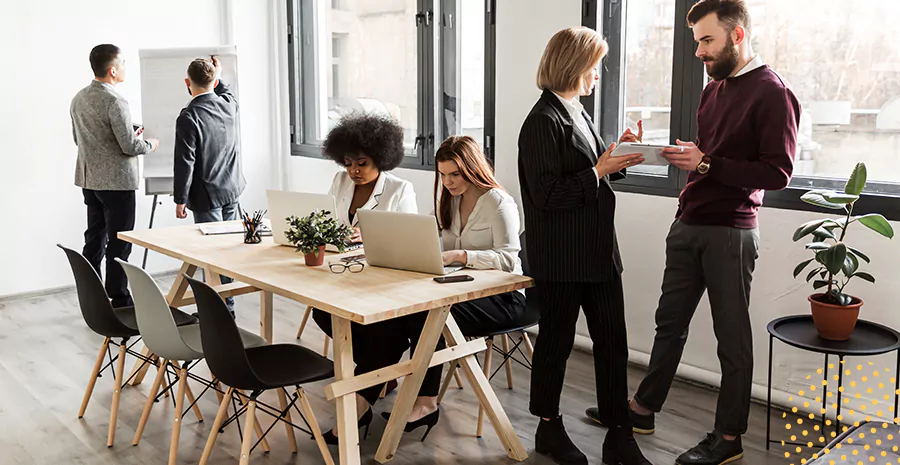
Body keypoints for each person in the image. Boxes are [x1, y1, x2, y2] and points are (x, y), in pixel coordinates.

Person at [615, 1, 800, 464]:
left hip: (730, 232)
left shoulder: (773, 92)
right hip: (689, 223)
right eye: (696, 40)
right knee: (669, 324)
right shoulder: (713, 89)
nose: (698, 51)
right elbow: (708, 157)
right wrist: (664, 153)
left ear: (737, 36)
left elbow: (778, 173)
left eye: (707, 40)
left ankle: (729, 438)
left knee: (731, 340)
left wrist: (705, 162)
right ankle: (642, 408)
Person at [518, 27, 649, 465]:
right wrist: (597, 170)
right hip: (561, 256)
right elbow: (547, 196)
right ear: (575, 65)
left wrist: (617, 156)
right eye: (595, 64)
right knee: (555, 343)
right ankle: (548, 430)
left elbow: (592, 171)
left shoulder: (578, 112)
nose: (598, 73)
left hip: (598, 252)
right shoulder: (541, 121)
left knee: (614, 344)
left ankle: (619, 433)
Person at [382, 135, 528, 439]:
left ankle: (425, 403)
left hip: (504, 298)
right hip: (458, 289)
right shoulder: (450, 200)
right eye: (443, 174)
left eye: (455, 174)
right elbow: (438, 244)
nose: (447, 182)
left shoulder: (498, 203)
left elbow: (507, 259)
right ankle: (384, 379)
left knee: (427, 317)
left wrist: (463, 255)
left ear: (472, 168)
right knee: (407, 310)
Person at [310, 111, 417, 443]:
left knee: (382, 333)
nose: (354, 171)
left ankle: (359, 402)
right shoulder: (340, 182)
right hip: (345, 274)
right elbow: (329, 221)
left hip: (384, 280)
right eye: (348, 163)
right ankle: (379, 374)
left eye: (362, 164)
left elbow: (408, 240)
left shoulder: (401, 190)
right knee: (322, 312)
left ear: (381, 160)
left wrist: (367, 239)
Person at [71, 44, 159, 308]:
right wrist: (151, 144)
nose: (125, 68)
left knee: (94, 239)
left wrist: (128, 133)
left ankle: (92, 295)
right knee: (120, 243)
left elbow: (80, 139)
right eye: (123, 64)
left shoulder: (79, 98)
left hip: (90, 179)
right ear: (112, 70)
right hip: (117, 183)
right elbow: (130, 147)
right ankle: (120, 298)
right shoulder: (115, 101)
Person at [173, 56, 246, 316]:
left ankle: (221, 311)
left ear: (187, 82)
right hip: (232, 190)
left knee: (212, 255)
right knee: (226, 252)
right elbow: (226, 91)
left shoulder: (189, 116)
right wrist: (220, 74)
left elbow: (185, 162)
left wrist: (180, 199)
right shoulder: (229, 105)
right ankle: (227, 307)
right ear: (214, 81)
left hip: (207, 195)